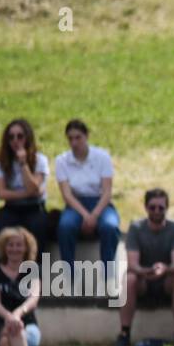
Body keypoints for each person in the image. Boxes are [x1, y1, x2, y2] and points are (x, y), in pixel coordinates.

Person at [55, 119, 120, 292]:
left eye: (78, 138)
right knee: (65, 227)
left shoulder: (102, 157)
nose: (74, 143)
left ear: (86, 136)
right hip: (76, 204)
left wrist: (95, 215)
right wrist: (85, 215)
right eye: (70, 139)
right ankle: (69, 278)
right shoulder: (62, 161)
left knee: (110, 226)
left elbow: (107, 191)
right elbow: (67, 194)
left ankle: (108, 278)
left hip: (100, 202)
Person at [119, 188, 174, 346]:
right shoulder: (136, 228)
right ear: (146, 208)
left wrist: (165, 269)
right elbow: (133, 264)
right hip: (143, 280)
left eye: (161, 208)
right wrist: (146, 271)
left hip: (166, 280)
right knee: (129, 278)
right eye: (152, 207)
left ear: (166, 208)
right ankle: (124, 332)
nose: (157, 211)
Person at [0, 119, 50, 255]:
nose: (15, 141)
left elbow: (34, 187)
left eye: (20, 136)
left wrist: (23, 164)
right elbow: (1, 193)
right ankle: (0, 268)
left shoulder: (40, 160)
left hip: (34, 207)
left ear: (27, 138)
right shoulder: (2, 162)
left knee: (39, 226)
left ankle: (36, 269)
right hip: (11, 207)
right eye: (11, 137)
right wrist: (28, 192)